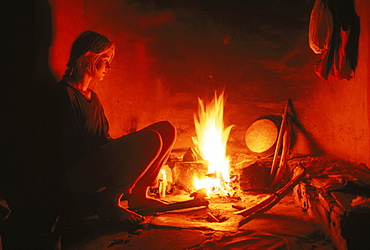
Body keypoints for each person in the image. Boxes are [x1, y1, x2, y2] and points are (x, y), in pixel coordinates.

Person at [54, 30, 176, 224]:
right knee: (150, 139)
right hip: (77, 174)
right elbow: (67, 151)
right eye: (105, 59)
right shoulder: (65, 95)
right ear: (88, 59)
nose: (109, 66)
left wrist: (125, 158)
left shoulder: (92, 98)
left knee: (166, 130)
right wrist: (121, 157)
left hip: (95, 163)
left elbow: (103, 139)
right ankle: (109, 203)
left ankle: (138, 195)